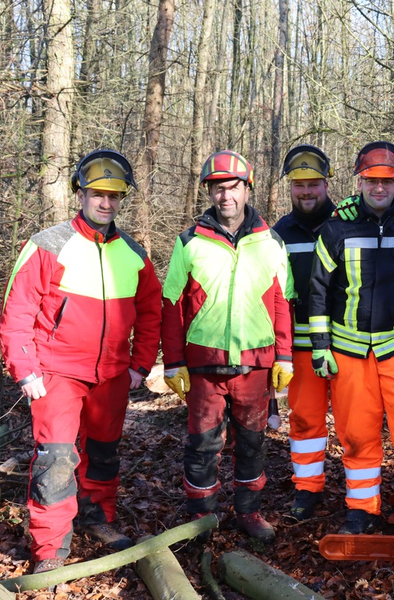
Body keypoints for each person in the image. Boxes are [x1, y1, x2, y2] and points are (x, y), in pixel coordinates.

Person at [0, 149, 161, 573]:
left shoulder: (134, 253)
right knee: (55, 458)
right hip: (55, 372)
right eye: (97, 194)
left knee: (104, 453)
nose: (105, 203)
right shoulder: (47, 244)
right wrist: (25, 367)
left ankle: (96, 517)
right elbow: (17, 311)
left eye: (114, 195)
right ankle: (50, 549)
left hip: (112, 375)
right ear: (81, 194)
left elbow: (151, 313)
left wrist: (140, 365)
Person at [307, 141, 394, 534]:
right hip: (348, 352)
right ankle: (362, 509)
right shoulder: (337, 226)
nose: (379, 188)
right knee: (357, 435)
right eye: (371, 180)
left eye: (388, 180)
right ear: (360, 180)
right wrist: (320, 347)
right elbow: (318, 289)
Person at [161, 150, 294, 542]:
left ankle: (248, 512)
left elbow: (283, 302)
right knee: (203, 446)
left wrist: (283, 356)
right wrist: (172, 362)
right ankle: (201, 516)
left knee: (251, 443)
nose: (226, 196)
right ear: (210, 192)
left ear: (247, 189)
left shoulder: (270, 241)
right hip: (205, 366)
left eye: (233, 187)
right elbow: (171, 306)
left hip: (255, 365)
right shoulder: (189, 242)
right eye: (218, 188)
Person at [272, 145, 335, 521]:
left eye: (313, 184)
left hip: (344, 344)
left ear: (326, 184)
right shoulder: (278, 233)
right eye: (299, 185)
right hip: (298, 346)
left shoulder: (345, 223)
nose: (306, 191)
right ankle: (307, 488)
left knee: (354, 424)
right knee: (306, 419)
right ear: (290, 188)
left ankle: (361, 494)